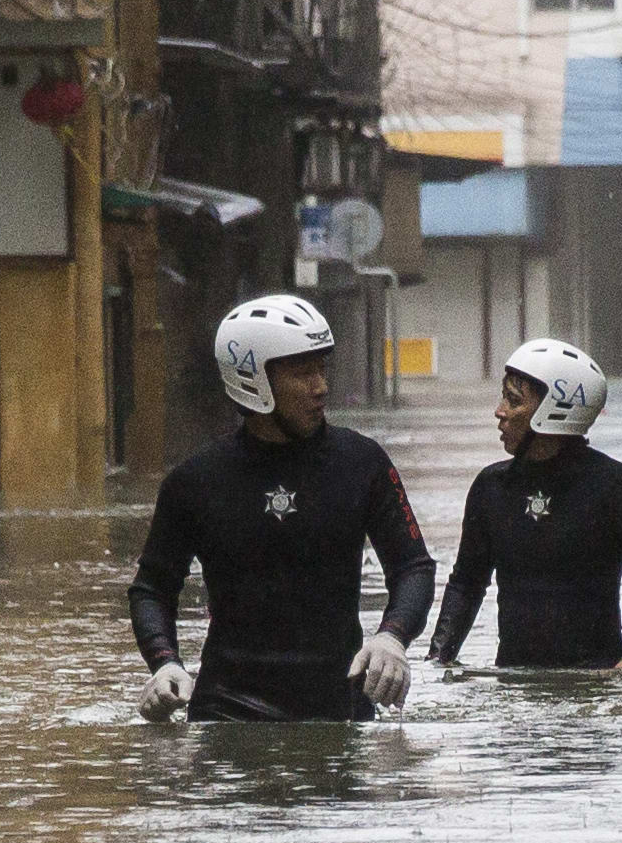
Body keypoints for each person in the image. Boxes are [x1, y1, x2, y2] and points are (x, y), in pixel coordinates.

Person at [128, 296, 435, 723]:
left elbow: (413, 567)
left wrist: (392, 639)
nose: (321, 386)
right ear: (252, 380)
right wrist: (165, 663)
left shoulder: (363, 463)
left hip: (339, 710)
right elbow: (152, 589)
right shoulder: (195, 481)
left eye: (322, 368)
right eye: (302, 372)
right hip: (225, 716)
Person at [425, 339, 622, 676]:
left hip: (594, 682)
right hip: (513, 683)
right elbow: (467, 584)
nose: (499, 411)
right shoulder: (491, 487)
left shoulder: (617, 486)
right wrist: (437, 662)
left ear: (554, 412)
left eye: (513, 400)